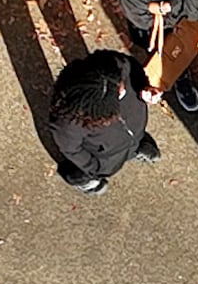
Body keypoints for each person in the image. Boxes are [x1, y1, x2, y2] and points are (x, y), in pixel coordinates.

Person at [46, 48, 159, 188]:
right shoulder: (69, 121)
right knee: (81, 173)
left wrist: (144, 87)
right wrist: (95, 167)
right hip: (104, 158)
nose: (124, 90)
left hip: (133, 134)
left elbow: (133, 70)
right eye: (118, 95)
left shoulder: (117, 67)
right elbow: (72, 150)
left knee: (131, 144)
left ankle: (135, 147)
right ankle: (85, 181)